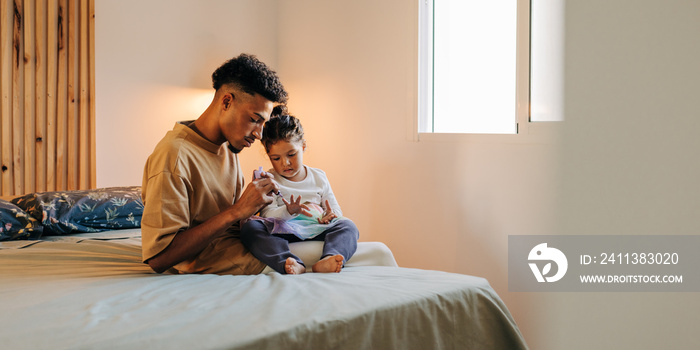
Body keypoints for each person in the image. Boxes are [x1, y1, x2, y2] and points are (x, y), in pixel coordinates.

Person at [141, 54, 288, 275]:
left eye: (263, 123)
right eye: (254, 119)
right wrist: (237, 211)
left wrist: (256, 206)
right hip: (228, 261)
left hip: (251, 247)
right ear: (226, 102)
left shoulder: (227, 147)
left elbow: (231, 223)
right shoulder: (174, 155)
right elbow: (159, 258)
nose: (259, 134)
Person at [240, 108, 359, 274]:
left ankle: (328, 259)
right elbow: (267, 214)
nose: (285, 163)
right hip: (284, 230)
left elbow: (333, 208)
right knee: (250, 228)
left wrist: (331, 215)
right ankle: (289, 262)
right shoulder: (269, 180)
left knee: (348, 226)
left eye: (291, 154)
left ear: (303, 146)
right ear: (268, 155)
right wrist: (288, 211)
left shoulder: (318, 176)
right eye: (276, 158)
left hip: (316, 227)